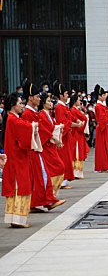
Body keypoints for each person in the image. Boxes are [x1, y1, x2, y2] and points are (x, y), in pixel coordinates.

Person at [21, 80, 64, 212]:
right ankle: (48, 200)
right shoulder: (28, 113)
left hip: (37, 147)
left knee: (38, 176)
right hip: (34, 149)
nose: (39, 99)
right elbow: (39, 131)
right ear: (30, 98)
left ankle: (37, 202)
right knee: (42, 175)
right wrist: (52, 137)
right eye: (37, 97)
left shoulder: (32, 112)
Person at [2, 93, 41, 228]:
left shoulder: (11, 118)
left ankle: (14, 218)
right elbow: (25, 129)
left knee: (16, 187)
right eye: (20, 103)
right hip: (17, 158)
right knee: (20, 187)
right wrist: (34, 127)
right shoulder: (13, 119)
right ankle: (18, 219)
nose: (22, 106)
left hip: (14, 157)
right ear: (13, 105)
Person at [53, 81, 82, 189]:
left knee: (68, 157)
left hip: (67, 136)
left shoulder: (64, 106)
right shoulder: (59, 107)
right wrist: (75, 124)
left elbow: (70, 118)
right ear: (61, 95)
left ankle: (65, 179)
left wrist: (77, 121)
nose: (67, 95)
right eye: (65, 93)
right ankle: (63, 180)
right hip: (63, 136)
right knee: (64, 158)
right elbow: (63, 123)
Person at [38, 93, 66, 197]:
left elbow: (54, 127)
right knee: (57, 167)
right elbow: (44, 130)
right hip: (47, 146)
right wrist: (54, 138)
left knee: (59, 167)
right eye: (48, 101)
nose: (51, 103)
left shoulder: (48, 115)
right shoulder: (41, 114)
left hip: (52, 146)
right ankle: (50, 192)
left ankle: (52, 192)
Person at [94, 85, 108, 173]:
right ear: (99, 96)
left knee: (104, 147)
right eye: (103, 95)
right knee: (101, 149)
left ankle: (105, 166)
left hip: (104, 127)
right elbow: (102, 118)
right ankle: (101, 166)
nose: (104, 97)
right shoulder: (98, 106)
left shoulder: (101, 105)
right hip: (101, 128)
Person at [69, 94, 89, 178]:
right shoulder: (74, 110)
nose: (80, 102)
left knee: (78, 150)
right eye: (78, 100)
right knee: (77, 151)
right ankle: (76, 172)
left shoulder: (74, 110)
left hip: (77, 132)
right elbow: (84, 118)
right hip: (77, 133)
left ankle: (77, 172)